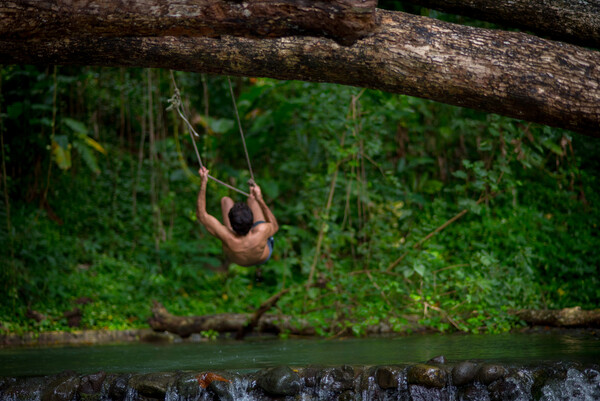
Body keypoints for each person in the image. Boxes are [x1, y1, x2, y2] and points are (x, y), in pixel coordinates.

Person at [196, 166, 278, 267]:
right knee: (252, 200)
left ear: (231, 223)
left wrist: (203, 183)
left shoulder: (227, 236)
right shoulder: (261, 230)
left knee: (226, 200)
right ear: (252, 221)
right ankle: (254, 200)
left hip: (239, 259)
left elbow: (201, 215)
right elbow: (275, 226)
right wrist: (260, 199)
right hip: (261, 255)